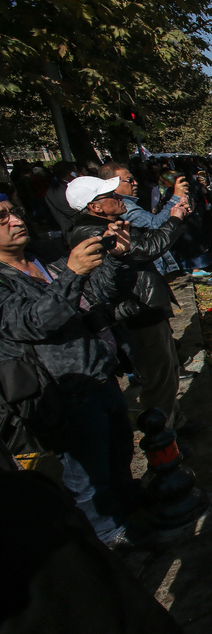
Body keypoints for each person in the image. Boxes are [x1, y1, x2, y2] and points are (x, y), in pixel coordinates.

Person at [0, 191, 142, 545]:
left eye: (13, 212)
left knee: (120, 451)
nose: (16, 220)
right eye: (1, 218)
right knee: (87, 479)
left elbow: (98, 294)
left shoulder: (43, 259)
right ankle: (106, 536)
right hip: (63, 395)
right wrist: (72, 273)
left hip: (100, 377)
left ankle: (130, 511)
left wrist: (119, 260)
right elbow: (34, 322)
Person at [67, 175, 194, 433]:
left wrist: (173, 216)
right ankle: (163, 443)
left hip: (145, 308)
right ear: (95, 207)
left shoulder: (109, 223)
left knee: (167, 373)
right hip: (136, 315)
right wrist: (175, 220)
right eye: (112, 196)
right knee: (158, 380)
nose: (120, 198)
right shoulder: (96, 232)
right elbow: (148, 248)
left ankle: (175, 424)